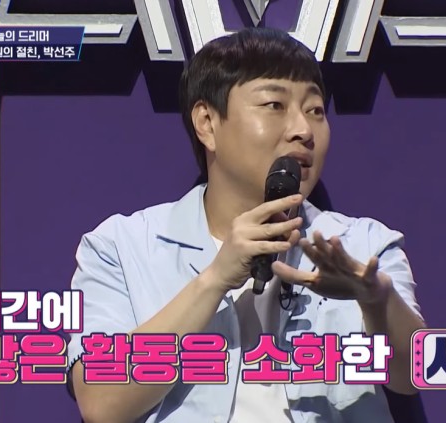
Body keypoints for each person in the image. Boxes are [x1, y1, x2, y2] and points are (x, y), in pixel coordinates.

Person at [67, 27, 426, 423]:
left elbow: (412, 374)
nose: (303, 130)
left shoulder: (363, 244)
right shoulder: (120, 246)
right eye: (274, 105)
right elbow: (101, 402)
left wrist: (376, 301)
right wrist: (215, 279)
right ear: (207, 123)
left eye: (315, 110)